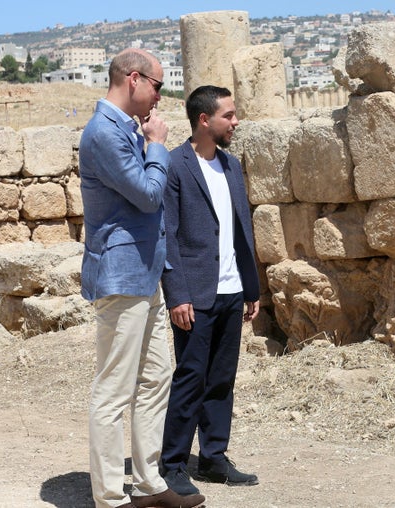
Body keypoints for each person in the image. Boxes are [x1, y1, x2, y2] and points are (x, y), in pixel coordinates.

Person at [80, 48, 205, 508]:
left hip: (144, 273)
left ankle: (150, 481)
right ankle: (110, 497)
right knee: (114, 388)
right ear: (133, 79)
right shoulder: (102, 134)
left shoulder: (122, 130)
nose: (159, 96)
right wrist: (156, 145)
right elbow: (150, 195)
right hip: (121, 274)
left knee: (156, 378)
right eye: (157, 86)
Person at [160, 85, 261, 495]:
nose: (235, 122)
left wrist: (251, 286)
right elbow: (166, 235)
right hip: (194, 295)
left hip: (232, 290)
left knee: (221, 378)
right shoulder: (174, 166)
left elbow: (241, 229)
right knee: (190, 379)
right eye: (229, 115)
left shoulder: (232, 166)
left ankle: (215, 458)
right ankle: (173, 466)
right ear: (205, 120)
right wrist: (177, 295)